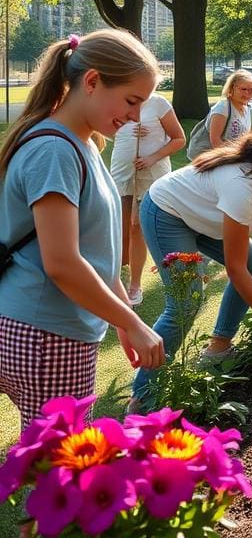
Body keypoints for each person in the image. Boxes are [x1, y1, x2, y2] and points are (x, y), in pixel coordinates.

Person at [0, 30, 165, 428]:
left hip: (48, 330)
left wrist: (122, 313)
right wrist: (132, 322)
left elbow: (97, 253)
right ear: (91, 82)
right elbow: (63, 263)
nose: (136, 116)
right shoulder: (56, 149)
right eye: (131, 100)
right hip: (47, 333)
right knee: (65, 471)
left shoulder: (82, 143)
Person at [132, 131, 252, 407]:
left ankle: (218, 349)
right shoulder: (243, 185)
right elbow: (236, 269)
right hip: (169, 212)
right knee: (185, 303)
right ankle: (143, 396)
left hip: (207, 218)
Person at [110, 93, 186, 305]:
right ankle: (116, 282)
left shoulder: (158, 102)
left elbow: (179, 138)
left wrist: (152, 157)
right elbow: (104, 128)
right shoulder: (117, 98)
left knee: (138, 226)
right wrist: (123, 129)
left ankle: (135, 285)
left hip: (152, 173)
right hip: (123, 171)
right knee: (120, 226)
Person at [210, 69, 252, 148]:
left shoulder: (249, 109)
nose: (247, 93)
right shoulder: (223, 107)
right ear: (232, 88)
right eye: (243, 89)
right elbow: (215, 140)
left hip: (236, 156)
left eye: (250, 90)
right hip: (213, 157)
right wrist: (232, 156)